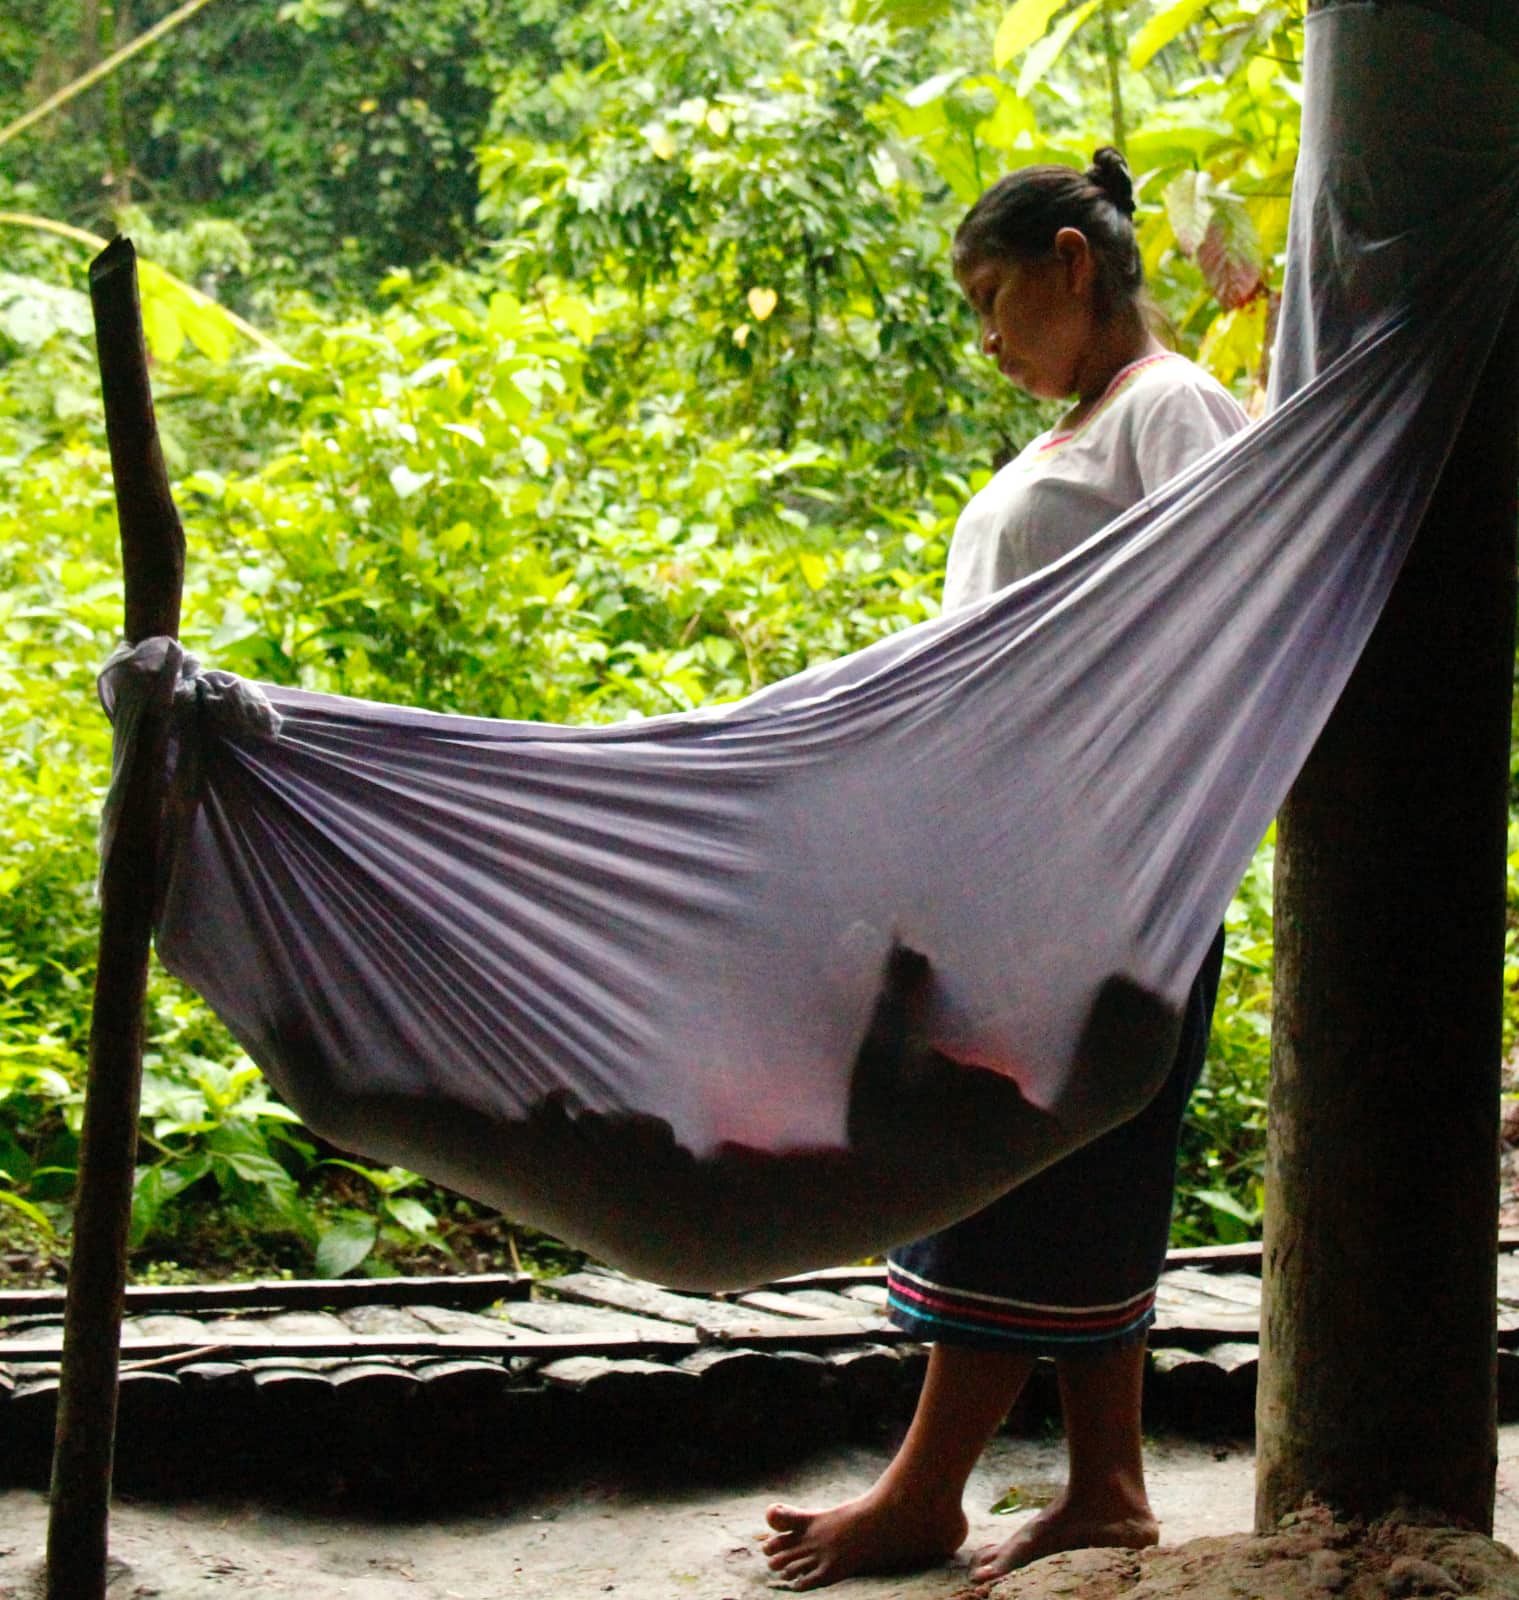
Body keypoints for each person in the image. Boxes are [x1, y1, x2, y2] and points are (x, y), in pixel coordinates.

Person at [761, 148, 1247, 1591]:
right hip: (1027, 865)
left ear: (1071, 264)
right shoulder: (1087, 425)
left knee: (1005, 1157)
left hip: (1095, 868)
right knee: (1078, 1156)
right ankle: (1107, 1487)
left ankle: (924, 1493)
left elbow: (1226, 600)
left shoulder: (1171, 407)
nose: (985, 339)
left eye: (993, 298)